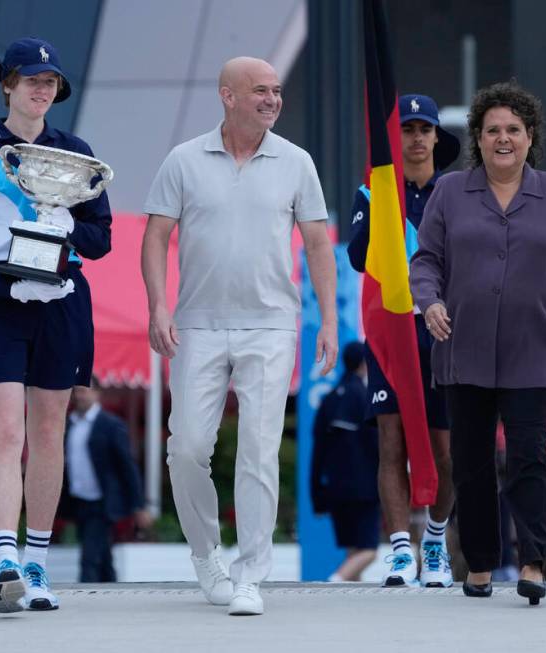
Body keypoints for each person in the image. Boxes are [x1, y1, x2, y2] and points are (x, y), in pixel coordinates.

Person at [142, 56, 337, 616]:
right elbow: (155, 238)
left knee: (258, 449)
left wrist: (326, 319)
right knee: (187, 450)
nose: (273, 100)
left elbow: (319, 244)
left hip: (272, 325)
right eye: (260, 91)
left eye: (276, 91)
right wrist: (159, 305)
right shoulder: (183, 160)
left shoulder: (296, 162)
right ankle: (206, 556)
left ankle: (251, 574)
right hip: (197, 324)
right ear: (227, 96)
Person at [410, 81, 546, 605]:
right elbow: (425, 261)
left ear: (529, 136)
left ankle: (535, 561)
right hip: (462, 348)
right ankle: (481, 564)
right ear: (477, 137)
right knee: (469, 463)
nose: (503, 138)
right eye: (492, 129)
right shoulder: (449, 192)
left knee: (529, 458)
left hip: (532, 352)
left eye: (513, 129)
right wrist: (430, 302)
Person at [0, 37, 113, 613]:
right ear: (8, 86)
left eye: (51, 83)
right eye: (32, 80)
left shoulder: (78, 153)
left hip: (62, 303)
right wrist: (4, 283)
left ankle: (38, 563)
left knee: (47, 434)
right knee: (6, 434)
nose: (43, 90)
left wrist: (63, 224)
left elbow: (102, 238)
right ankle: (5, 560)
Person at [346, 93, 459, 588]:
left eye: (423, 129)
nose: (415, 138)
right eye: (407, 129)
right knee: (390, 440)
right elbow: (355, 257)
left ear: (437, 136)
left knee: (445, 447)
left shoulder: (456, 193)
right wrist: (382, 216)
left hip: (444, 328)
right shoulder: (373, 191)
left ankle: (434, 543)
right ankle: (398, 552)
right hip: (390, 328)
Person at [65, 378, 152, 582]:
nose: (79, 396)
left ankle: (87, 595)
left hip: (102, 500)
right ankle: (110, 588)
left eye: (84, 391)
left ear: (97, 393)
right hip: (79, 499)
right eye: (76, 391)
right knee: (102, 554)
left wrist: (138, 504)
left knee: (90, 557)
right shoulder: (69, 424)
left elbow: (127, 466)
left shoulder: (111, 425)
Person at [311, 341, 380, 582]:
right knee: (369, 550)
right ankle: (336, 580)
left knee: (353, 548)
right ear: (365, 363)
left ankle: (349, 596)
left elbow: (317, 450)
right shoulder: (367, 398)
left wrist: (317, 495)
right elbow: (378, 446)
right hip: (366, 488)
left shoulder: (329, 400)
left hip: (336, 488)